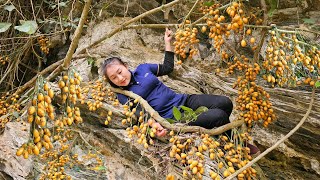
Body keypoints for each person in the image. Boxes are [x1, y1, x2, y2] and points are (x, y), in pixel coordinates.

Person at [101, 28, 233, 137]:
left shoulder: (143, 69)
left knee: (225, 103)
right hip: (175, 119)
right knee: (219, 115)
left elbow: (167, 68)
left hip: (184, 101)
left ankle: (222, 133)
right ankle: (237, 142)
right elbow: (141, 113)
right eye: (114, 78)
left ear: (125, 66)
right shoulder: (123, 95)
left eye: (119, 72)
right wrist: (155, 125)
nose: (120, 78)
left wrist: (167, 42)